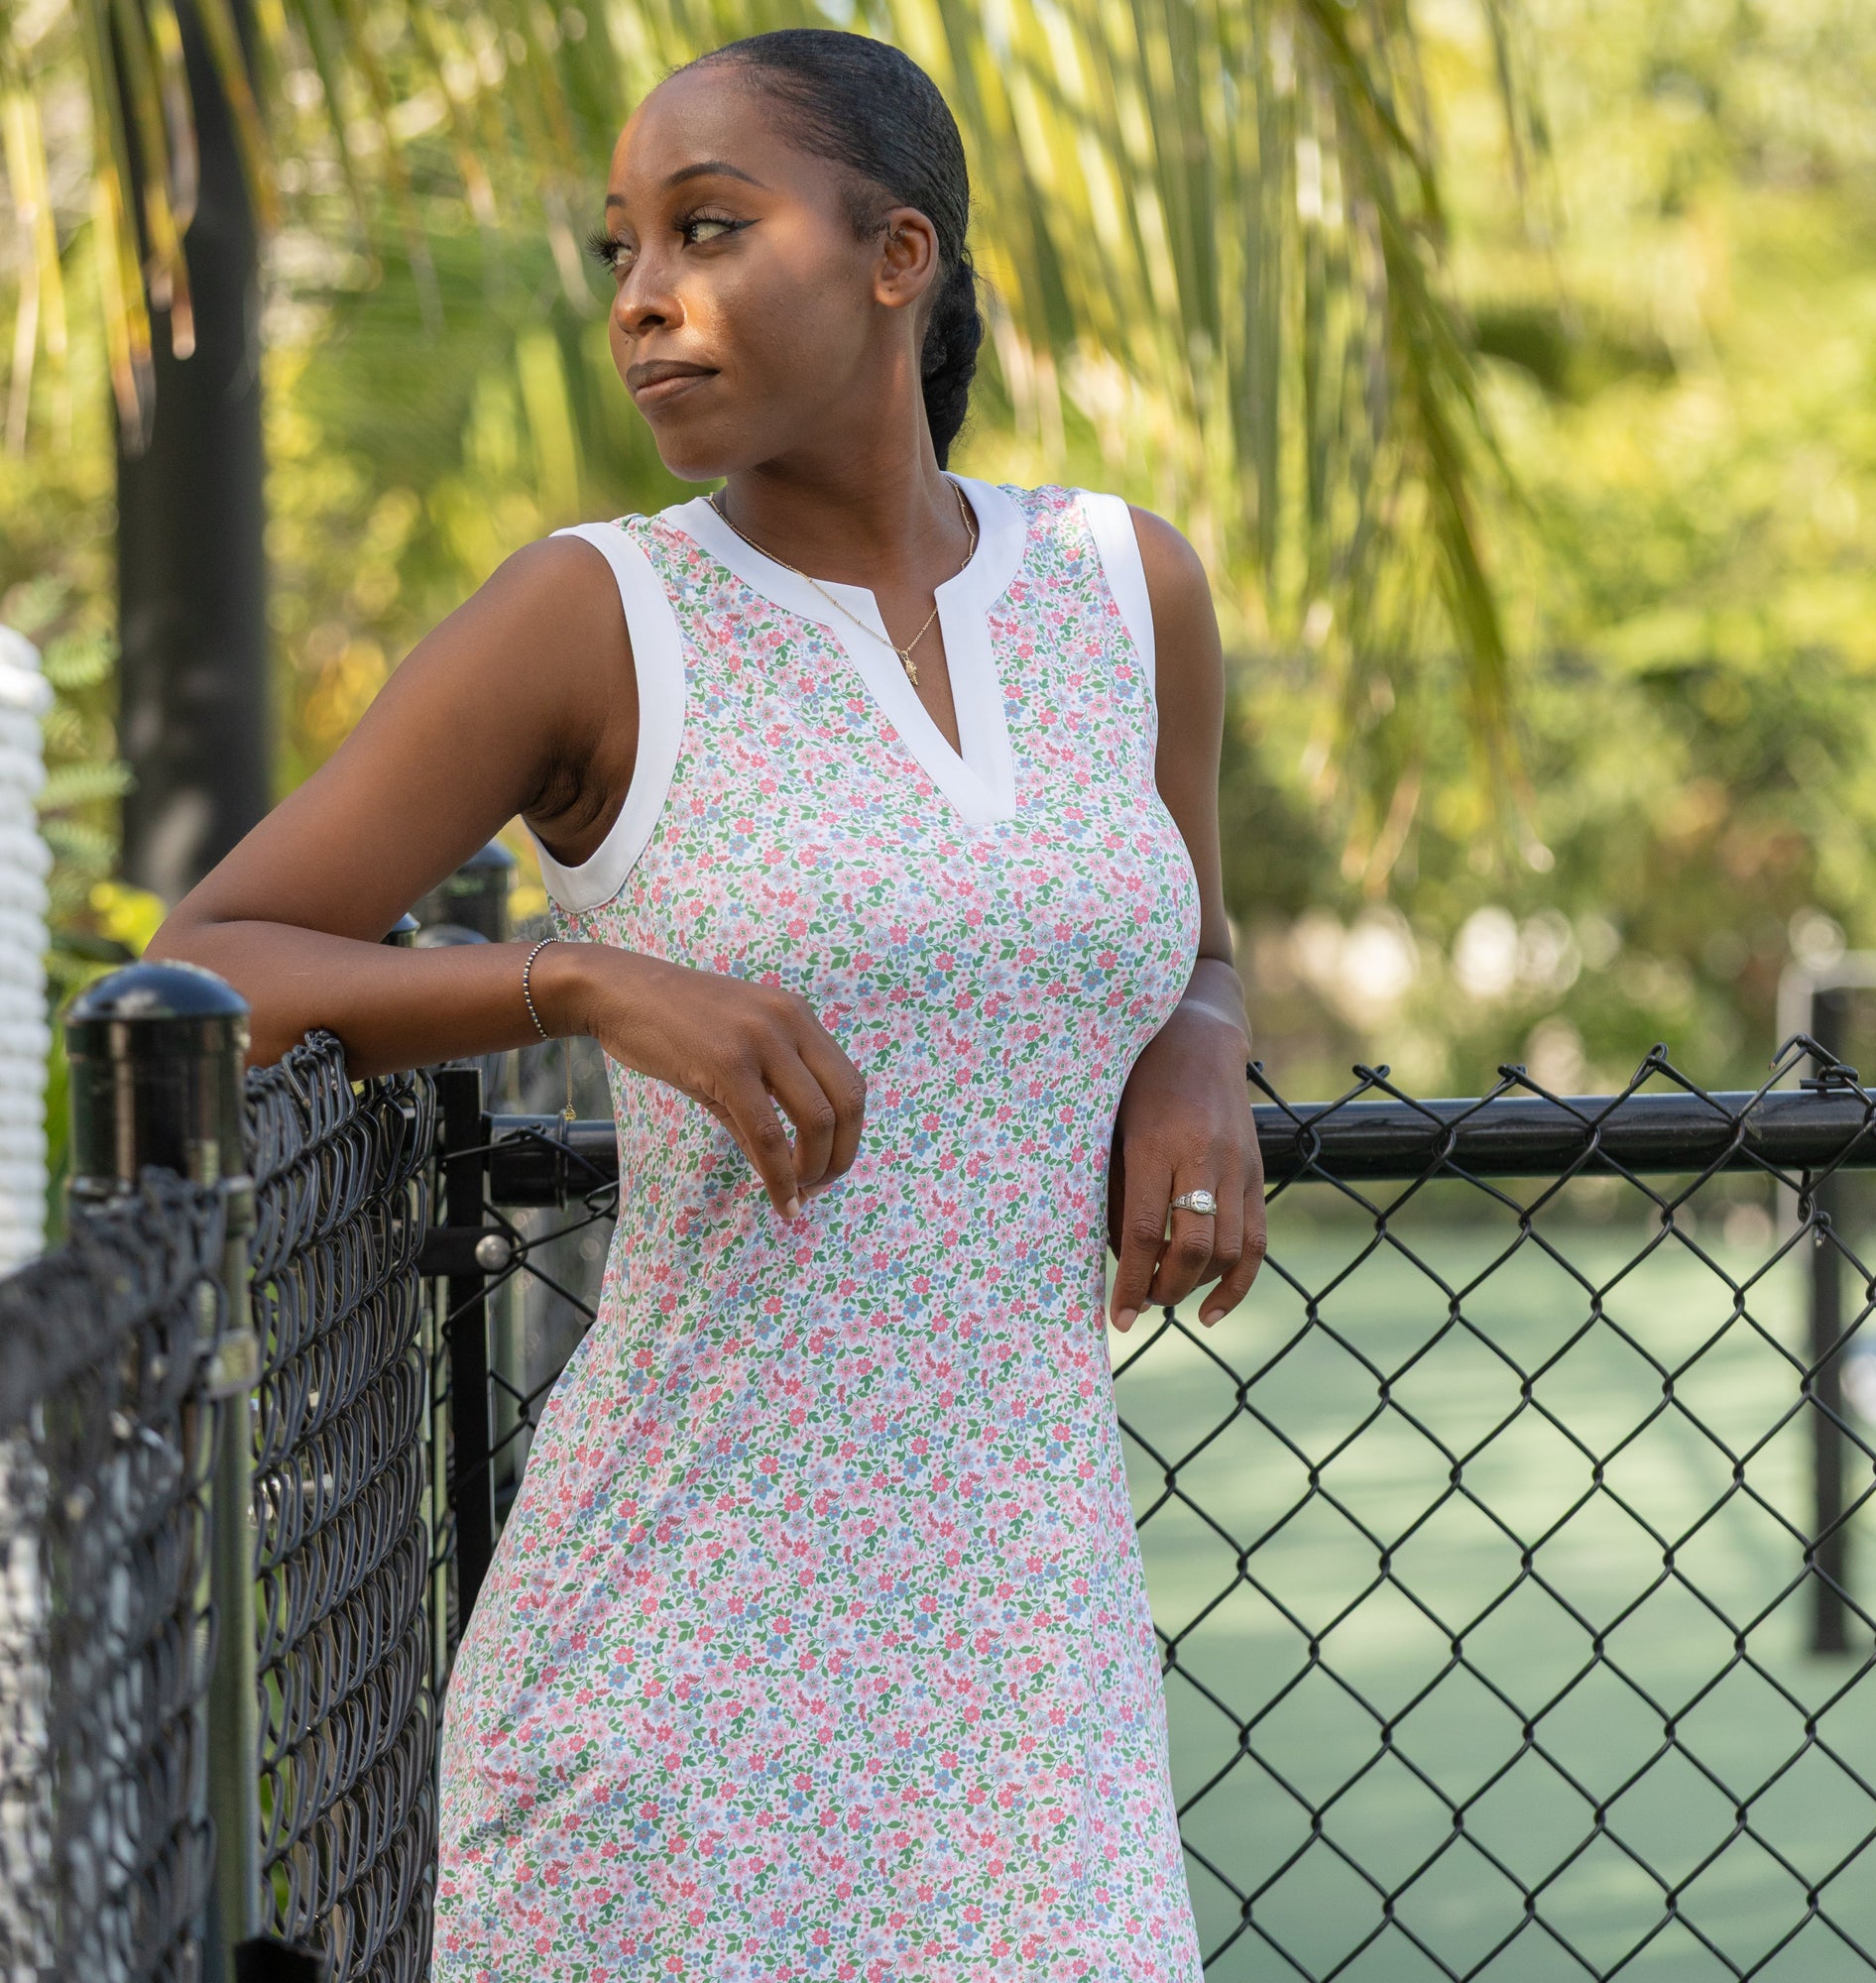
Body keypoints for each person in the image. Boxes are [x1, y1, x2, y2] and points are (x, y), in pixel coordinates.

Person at [151, 25, 1265, 1977]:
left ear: (894, 257)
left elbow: (1196, 931)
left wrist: (1194, 1048)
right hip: (679, 1650)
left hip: (1030, 1642)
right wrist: (574, 976)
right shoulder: (594, 615)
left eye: (709, 231)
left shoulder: (1125, 586)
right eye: (621, 254)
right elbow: (200, 962)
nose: (646, 301)